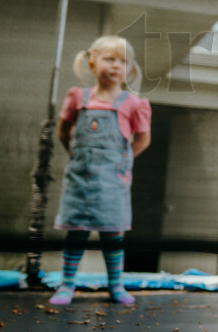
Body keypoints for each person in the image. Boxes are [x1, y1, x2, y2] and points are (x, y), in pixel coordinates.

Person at [48, 35, 152, 305]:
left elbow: (142, 139)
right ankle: (66, 285)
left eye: (123, 61)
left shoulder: (133, 103)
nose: (116, 65)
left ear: (130, 69)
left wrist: (123, 162)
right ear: (92, 63)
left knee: (113, 234)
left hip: (113, 182)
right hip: (79, 180)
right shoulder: (77, 97)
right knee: (77, 233)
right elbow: (63, 132)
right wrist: (75, 155)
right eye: (109, 59)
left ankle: (116, 286)